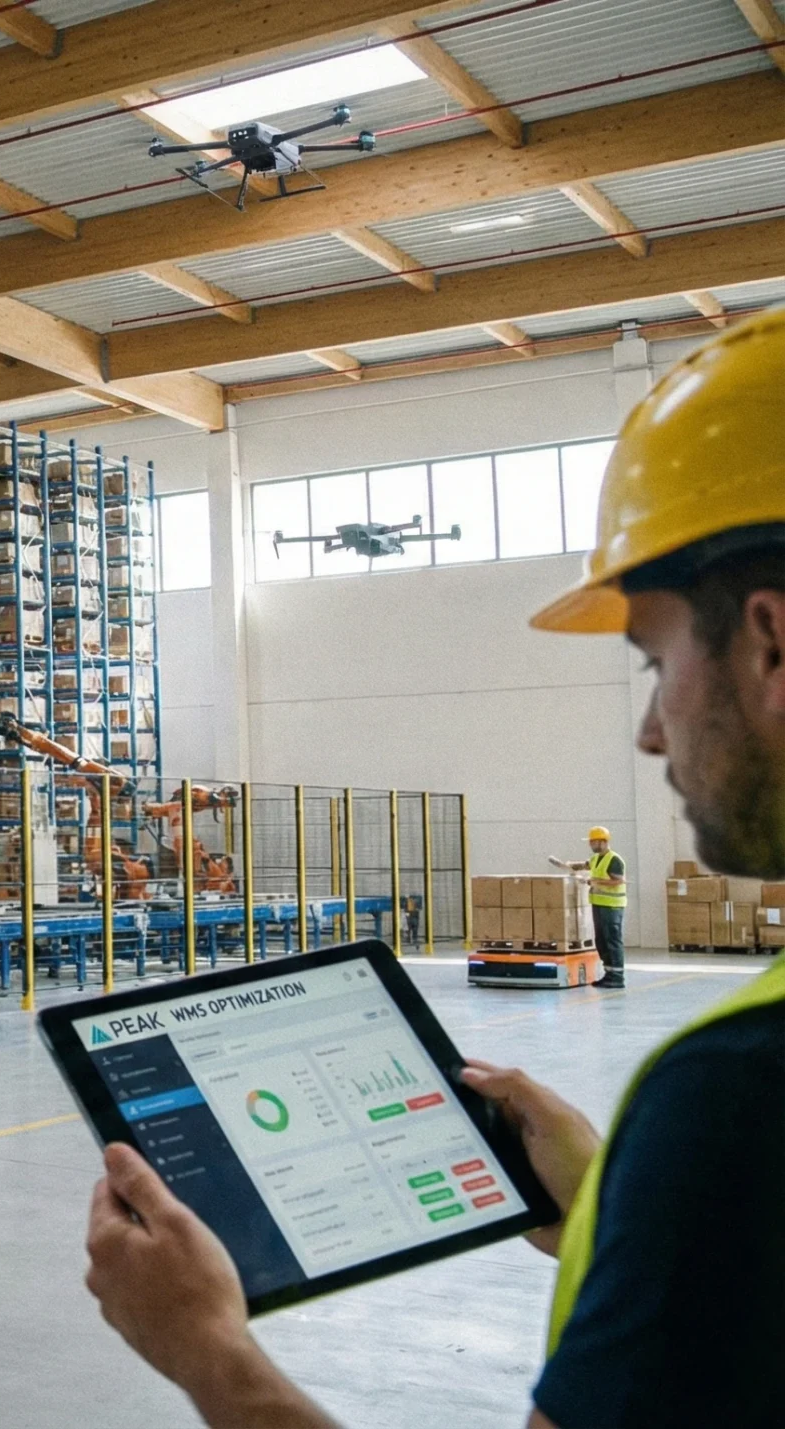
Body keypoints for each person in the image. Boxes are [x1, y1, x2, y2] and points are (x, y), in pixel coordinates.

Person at [81, 307, 785, 1426]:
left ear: (770, 643)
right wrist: (613, 1203)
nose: (651, 730)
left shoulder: (742, 1091)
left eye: (656, 664)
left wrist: (209, 1351)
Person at [547, 826, 627, 987]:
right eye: (591, 842)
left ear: (603, 842)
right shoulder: (596, 859)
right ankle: (609, 973)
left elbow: (618, 881)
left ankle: (617, 977)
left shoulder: (614, 859)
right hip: (599, 904)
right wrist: (569, 865)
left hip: (612, 906)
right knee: (601, 940)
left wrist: (594, 881)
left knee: (612, 940)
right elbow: (585, 865)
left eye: (594, 842)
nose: (591, 845)